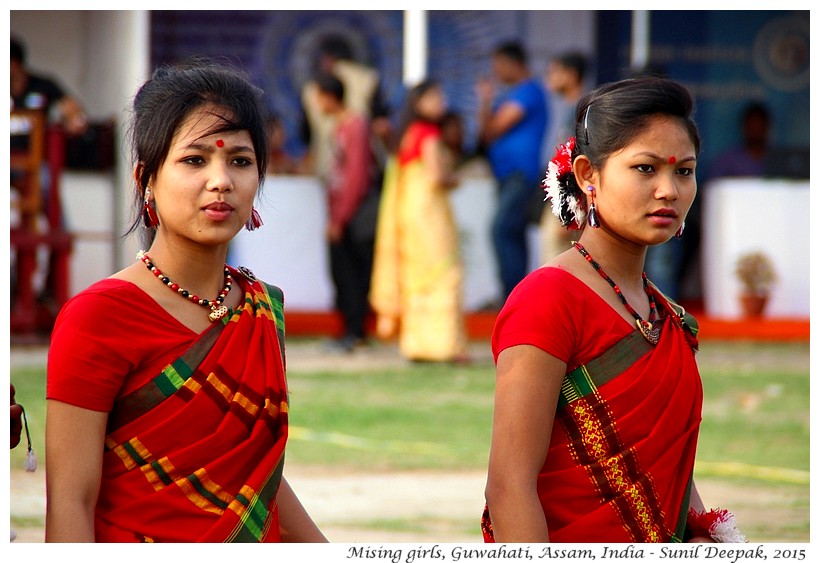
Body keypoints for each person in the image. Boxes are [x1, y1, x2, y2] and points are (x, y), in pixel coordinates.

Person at [44, 60, 327, 543]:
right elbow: (71, 501)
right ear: (146, 179)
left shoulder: (259, 307)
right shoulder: (98, 317)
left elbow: (256, 476)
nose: (221, 181)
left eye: (240, 160)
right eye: (194, 160)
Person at [482, 76, 747, 543]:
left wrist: (705, 536)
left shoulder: (667, 315)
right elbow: (509, 487)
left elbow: (667, 471)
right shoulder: (546, 301)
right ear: (588, 176)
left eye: (684, 171)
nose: (669, 190)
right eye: (645, 169)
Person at [369, 80, 468, 363]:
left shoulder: (408, 134)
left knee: (417, 275)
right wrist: (457, 179)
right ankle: (444, 346)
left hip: (408, 212)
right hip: (429, 212)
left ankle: (418, 345)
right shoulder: (428, 135)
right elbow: (438, 176)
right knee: (443, 271)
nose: (442, 102)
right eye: (436, 96)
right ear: (419, 102)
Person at [476, 41, 548, 305]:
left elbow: (492, 130)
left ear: (512, 63)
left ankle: (513, 297)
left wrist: (485, 100)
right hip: (507, 176)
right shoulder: (512, 94)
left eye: (498, 65)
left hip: (520, 174)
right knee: (511, 233)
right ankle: (516, 297)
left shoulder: (528, 91)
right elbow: (485, 135)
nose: (495, 71)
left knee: (501, 230)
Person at [315, 73, 379, 352]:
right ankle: (350, 331)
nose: (317, 103)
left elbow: (355, 176)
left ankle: (356, 331)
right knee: (341, 270)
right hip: (343, 211)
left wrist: (340, 218)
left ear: (330, 96)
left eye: (319, 97)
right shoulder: (340, 125)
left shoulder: (355, 125)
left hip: (357, 214)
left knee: (352, 272)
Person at [540, 51, 589, 263]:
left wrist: (569, 207)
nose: (549, 78)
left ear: (570, 75)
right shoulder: (572, 108)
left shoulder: (581, 110)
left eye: (554, 72)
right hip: (564, 194)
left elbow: (577, 160)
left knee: (557, 257)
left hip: (569, 196)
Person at [10, 36, 88, 139]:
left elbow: (71, 107)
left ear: (14, 64)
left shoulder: (43, 85)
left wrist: (76, 119)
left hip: (37, 150)